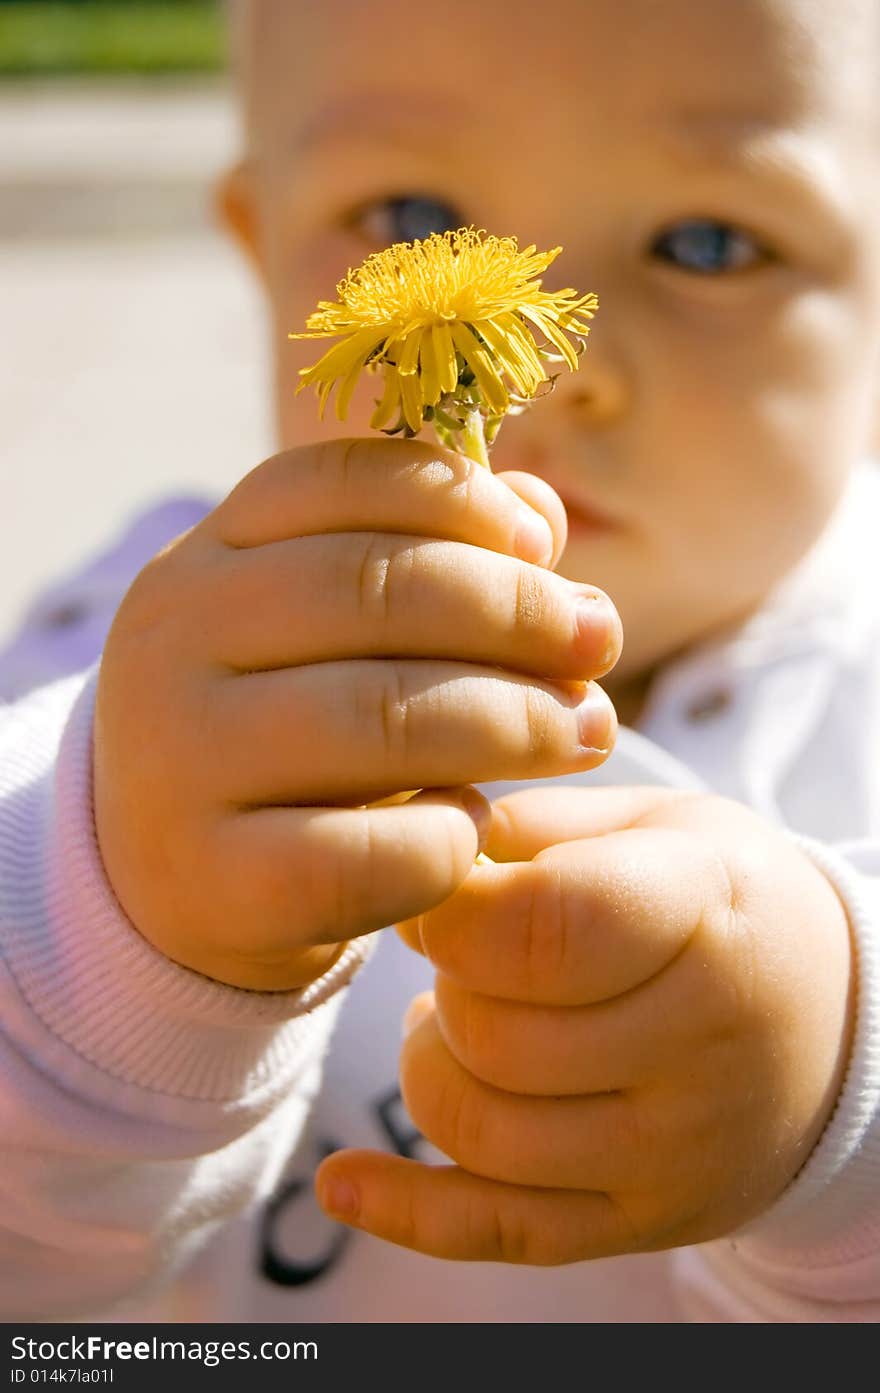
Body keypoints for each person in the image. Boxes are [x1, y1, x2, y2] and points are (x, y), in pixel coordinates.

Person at [1, 0, 879, 1323]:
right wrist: (105, 914)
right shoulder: (136, 653)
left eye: (709, 244)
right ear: (261, 250)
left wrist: (843, 1103)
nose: (552, 371)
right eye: (413, 218)